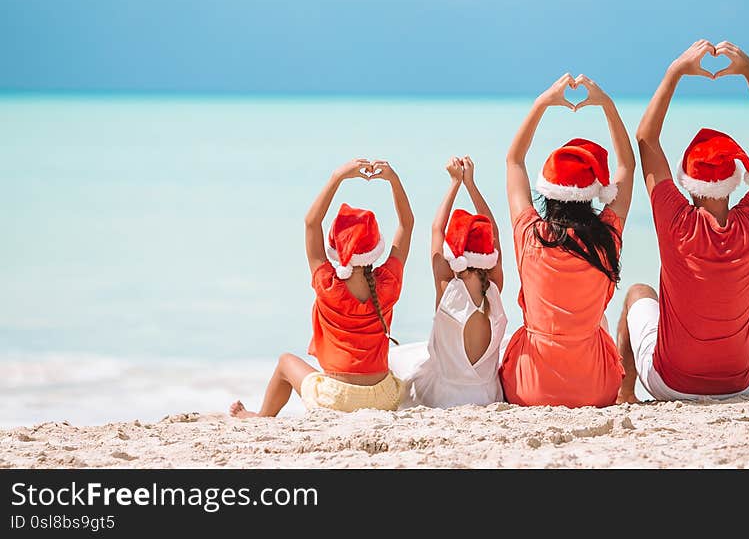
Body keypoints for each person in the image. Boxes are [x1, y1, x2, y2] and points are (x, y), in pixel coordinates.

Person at [617, 40, 749, 403]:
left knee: (638, 294)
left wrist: (675, 72)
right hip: (739, 385)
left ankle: (624, 392)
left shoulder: (676, 220)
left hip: (672, 385)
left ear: (688, 184)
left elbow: (646, 138)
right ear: (735, 181)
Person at [230, 158, 414, 416]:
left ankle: (261, 417)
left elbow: (311, 223)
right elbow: (406, 224)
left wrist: (337, 176)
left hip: (337, 398)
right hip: (382, 397)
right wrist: (393, 179)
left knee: (285, 362)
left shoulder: (327, 282)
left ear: (335, 250)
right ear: (374, 250)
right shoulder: (388, 282)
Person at [500, 73, 636, 407]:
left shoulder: (530, 235)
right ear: (592, 195)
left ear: (548, 192)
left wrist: (542, 102)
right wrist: (606, 104)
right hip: (595, 390)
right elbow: (627, 166)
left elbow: (514, 160)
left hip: (529, 388)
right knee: (598, 321)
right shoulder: (605, 239)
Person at [407, 156, 508, 407]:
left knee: (406, 365)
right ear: (489, 254)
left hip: (443, 397)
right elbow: (493, 230)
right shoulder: (494, 287)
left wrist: (454, 183)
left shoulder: (447, 289)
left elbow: (436, 231)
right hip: (487, 395)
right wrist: (471, 184)